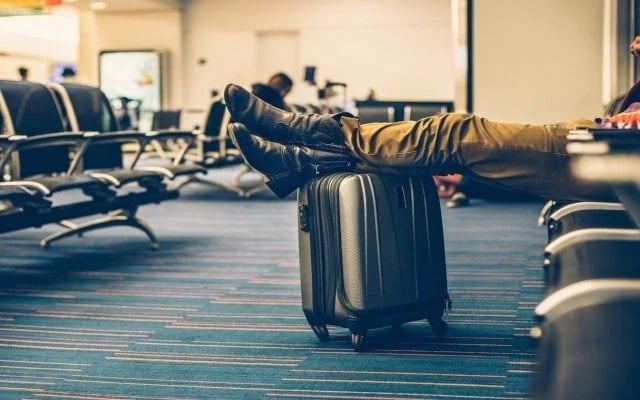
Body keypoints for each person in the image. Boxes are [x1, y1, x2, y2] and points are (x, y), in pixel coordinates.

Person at [220, 37, 640, 203]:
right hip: (602, 141)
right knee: (433, 148)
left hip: (617, 154)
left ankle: (308, 133)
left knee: (454, 132)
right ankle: (301, 163)